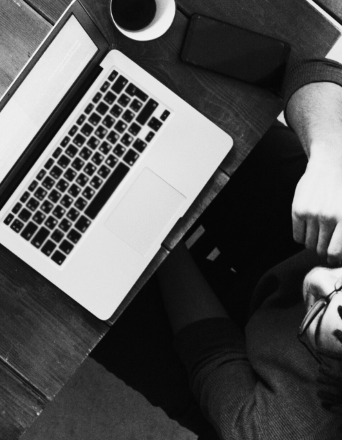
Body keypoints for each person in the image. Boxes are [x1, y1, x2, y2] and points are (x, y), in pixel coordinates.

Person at [94, 55, 342, 439]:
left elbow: (210, 350)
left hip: (247, 369)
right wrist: (330, 157)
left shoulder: (283, 430)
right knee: (208, 121)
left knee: (89, 304)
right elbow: (311, 71)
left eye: (320, 313)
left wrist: (159, 232)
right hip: (292, 239)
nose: (326, 286)